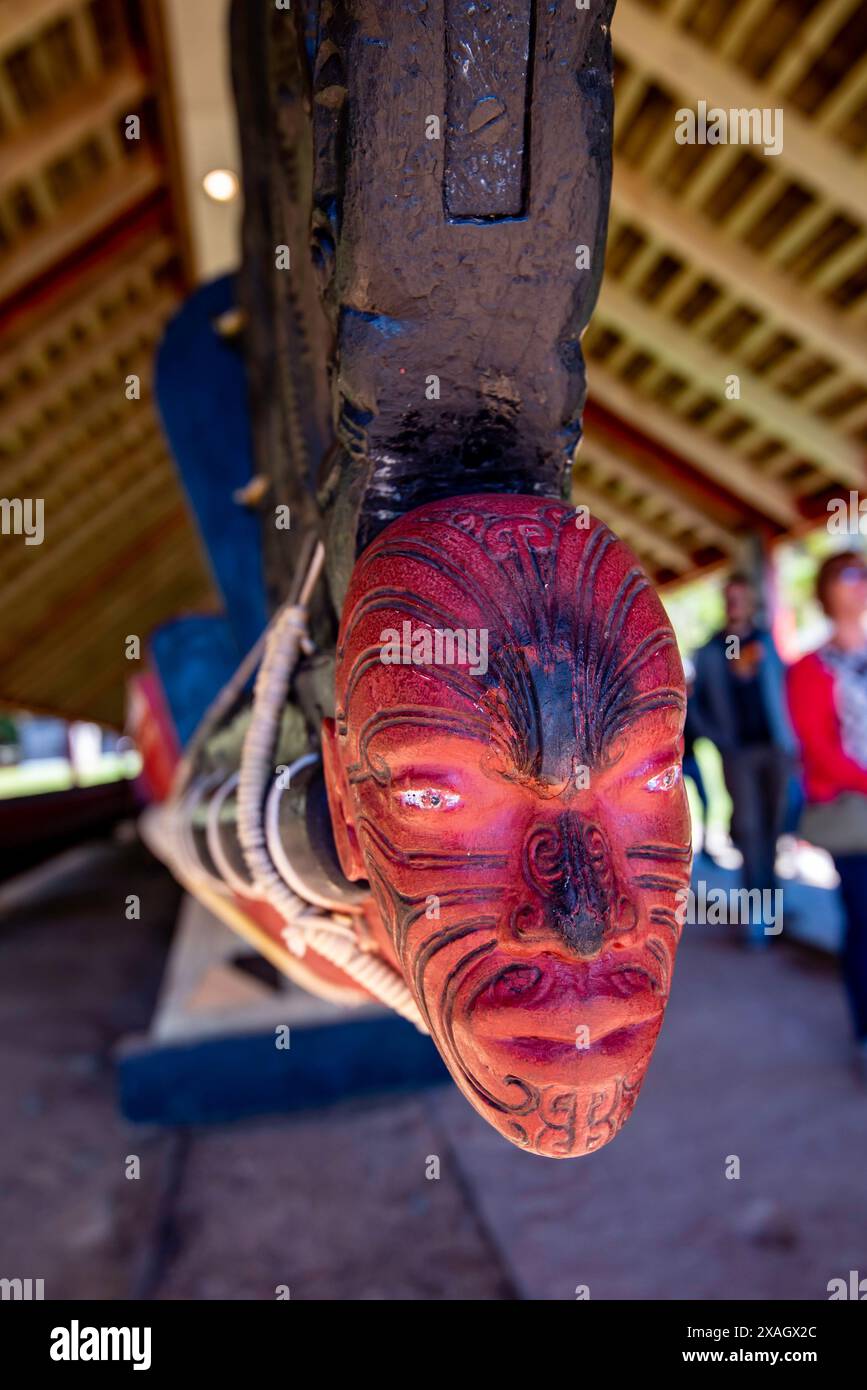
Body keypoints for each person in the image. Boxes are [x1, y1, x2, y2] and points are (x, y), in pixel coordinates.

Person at [787, 551, 867, 1080]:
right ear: (826, 589)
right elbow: (819, 752)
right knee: (864, 921)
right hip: (852, 814)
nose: (861, 584)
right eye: (850, 575)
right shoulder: (809, 670)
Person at [693, 573, 796, 945]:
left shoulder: (768, 642)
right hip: (739, 754)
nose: (736, 604)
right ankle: (759, 915)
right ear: (725, 603)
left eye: (742, 597)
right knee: (749, 827)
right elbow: (696, 704)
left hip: (775, 749)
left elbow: (787, 692)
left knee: (775, 826)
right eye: (730, 597)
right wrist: (719, 739)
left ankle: (774, 909)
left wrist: (792, 741)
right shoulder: (709, 651)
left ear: (751, 603)